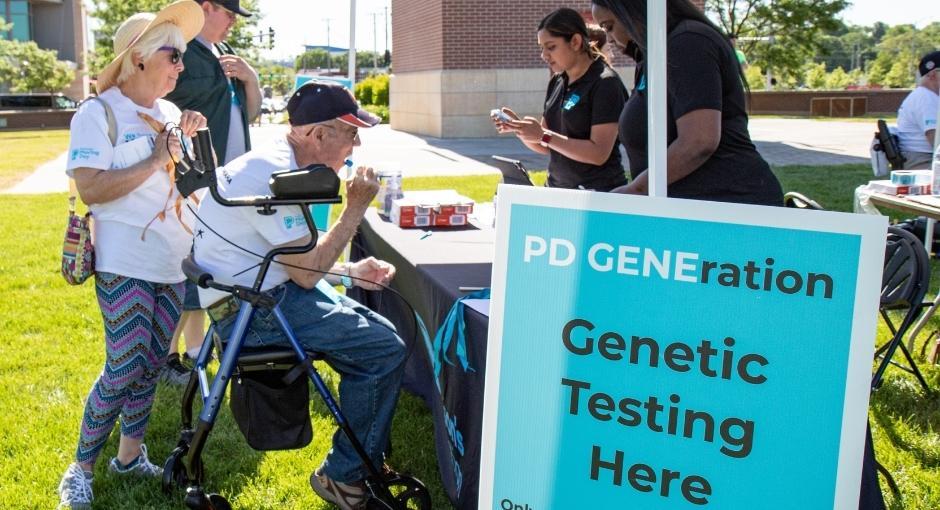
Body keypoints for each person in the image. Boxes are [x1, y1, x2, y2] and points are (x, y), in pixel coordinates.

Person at [192, 80, 406, 509]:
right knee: (384, 349)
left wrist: (347, 270)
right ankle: (344, 476)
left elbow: (292, 249)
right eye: (351, 132)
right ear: (319, 134)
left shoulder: (279, 160)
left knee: (379, 334)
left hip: (253, 290)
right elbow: (305, 275)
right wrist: (355, 208)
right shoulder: (275, 177)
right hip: (255, 310)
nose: (357, 143)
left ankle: (360, 457)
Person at [57, 2, 207, 508]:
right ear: (139, 57)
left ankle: (130, 456)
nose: (180, 66)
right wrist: (156, 155)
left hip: (171, 259)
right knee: (123, 364)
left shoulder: (166, 114)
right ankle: (79, 469)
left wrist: (185, 141)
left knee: (149, 366)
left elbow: (177, 184)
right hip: (123, 260)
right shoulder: (96, 113)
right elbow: (93, 189)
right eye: (174, 55)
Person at [591, 0, 783, 206]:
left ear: (633, 10)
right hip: (689, 206)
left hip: (727, 204)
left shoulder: (688, 42)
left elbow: (699, 141)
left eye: (609, 27)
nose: (608, 39)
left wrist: (637, 189)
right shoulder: (652, 55)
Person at [163, 0, 262, 384]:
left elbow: (248, 115)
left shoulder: (225, 54)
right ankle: (168, 358)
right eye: (229, 13)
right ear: (206, 7)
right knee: (190, 267)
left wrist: (251, 78)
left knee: (210, 267)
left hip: (229, 183)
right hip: (196, 181)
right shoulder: (180, 54)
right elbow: (162, 113)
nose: (234, 22)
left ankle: (193, 350)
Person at [492, 7, 628, 191]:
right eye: (541, 48)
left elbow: (598, 153)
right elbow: (546, 146)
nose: (544, 55)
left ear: (575, 41)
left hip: (597, 193)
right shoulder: (557, 81)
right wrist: (519, 128)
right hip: (557, 189)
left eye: (551, 47)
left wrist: (543, 135)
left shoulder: (605, 83)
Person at [895, 51, 939, 169]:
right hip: (922, 161)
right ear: (934, 74)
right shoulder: (926, 99)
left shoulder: (926, 96)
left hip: (923, 157)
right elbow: (936, 140)